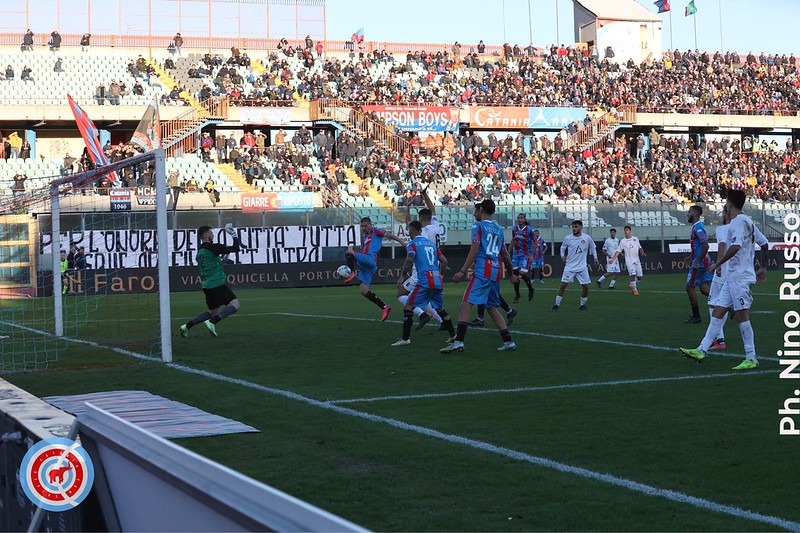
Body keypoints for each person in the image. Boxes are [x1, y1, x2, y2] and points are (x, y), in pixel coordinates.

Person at [680, 189, 768, 370]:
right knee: (717, 312)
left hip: (739, 278)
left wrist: (717, 264)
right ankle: (701, 349)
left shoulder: (738, 222)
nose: (725, 206)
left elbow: (735, 247)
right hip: (732, 278)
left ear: (730, 204)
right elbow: (764, 242)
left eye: (726, 203)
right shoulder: (748, 221)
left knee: (742, 316)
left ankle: (751, 358)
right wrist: (763, 268)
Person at [441, 199, 518, 353]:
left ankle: (458, 342)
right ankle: (508, 342)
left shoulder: (478, 226)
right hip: (496, 270)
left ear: (481, 210)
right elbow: (505, 255)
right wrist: (510, 274)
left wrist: (462, 271)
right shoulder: (499, 229)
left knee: (465, 304)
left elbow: (475, 250)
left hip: (483, 269)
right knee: (491, 307)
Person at [391, 221, 455, 347]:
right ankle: (453, 335)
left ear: (412, 230)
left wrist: (402, 276)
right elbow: (445, 261)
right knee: (440, 308)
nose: (408, 232)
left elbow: (409, 259)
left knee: (408, 307)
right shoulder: (431, 245)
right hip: (436, 279)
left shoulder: (413, 244)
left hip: (425, 279)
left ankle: (405, 339)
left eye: (409, 229)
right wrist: (441, 275)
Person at [180, 224, 241, 337]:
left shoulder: (200, 253)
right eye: (212, 234)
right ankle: (212, 322)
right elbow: (236, 248)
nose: (213, 236)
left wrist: (221, 260)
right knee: (235, 304)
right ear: (207, 235)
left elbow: (211, 264)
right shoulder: (213, 248)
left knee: (213, 312)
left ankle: (185, 327)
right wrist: (233, 234)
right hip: (216, 283)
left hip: (207, 286)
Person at [398, 189, 445, 329]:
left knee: (401, 294)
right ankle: (442, 321)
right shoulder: (435, 226)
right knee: (429, 298)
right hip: (434, 267)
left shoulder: (422, 232)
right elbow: (433, 209)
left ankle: (422, 314)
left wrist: (407, 207)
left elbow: (408, 223)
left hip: (421, 269)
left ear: (420, 220)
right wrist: (425, 195)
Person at [343, 217, 404, 321]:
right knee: (364, 290)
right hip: (366, 266)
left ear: (370, 225)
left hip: (370, 259)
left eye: (365, 226)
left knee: (349, 251)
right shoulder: (365, 236)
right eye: (362, 226)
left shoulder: (376, 230)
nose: (363, 228)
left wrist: (402, 242)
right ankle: (384, 307)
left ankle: (351, 273)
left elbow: (389, 235)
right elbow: (364, 247)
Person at [552, 220, 598, 311]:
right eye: (573, 227)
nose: (574, 228)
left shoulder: (587, 238)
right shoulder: (568, 238)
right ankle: (556, 305)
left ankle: (582, 305)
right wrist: (562, 256)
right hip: (570, 266)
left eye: (576, 226)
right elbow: (562, 247)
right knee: (563, 285)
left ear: (581, 227)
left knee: (585, 286)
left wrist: (595, 257)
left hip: (582, 267)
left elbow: (593, 247)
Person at [704, 206, 732, 351]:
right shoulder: (741, 228)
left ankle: (719, 340)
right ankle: (719, 339)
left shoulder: (722, 229)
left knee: (713, 305)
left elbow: (721, 246)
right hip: (736, 272)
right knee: (724, 305)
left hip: (723, 270)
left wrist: (718, 265)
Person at [685, 205, 712, 323]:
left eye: (689, 212)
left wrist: (697, 261)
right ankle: (727, 304)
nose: (688, 214)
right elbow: (699, 247)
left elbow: (705, 245)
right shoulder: (696, 227)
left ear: (695, 214)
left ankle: (697, 316)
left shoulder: (698, 228)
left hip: (700, 263)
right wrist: (691, 257)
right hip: (703, 261)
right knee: (703, 288)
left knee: (689, 287)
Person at [609, 226, 646, 296]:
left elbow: (640, 247)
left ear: (630, 231)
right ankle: (635, 290)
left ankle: (631, 284)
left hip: (637, 260)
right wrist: (613, 259)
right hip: (629, 261)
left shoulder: (635, 239)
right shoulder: (623, 241)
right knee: (632, 275)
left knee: (639, 277)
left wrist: (642, 252)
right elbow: (618, 251)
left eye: (627, 230)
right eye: (625, 230)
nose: (626, 232)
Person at [510, 213, 535, 303]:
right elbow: (513, 240)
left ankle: (531, 289)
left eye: (521, 218)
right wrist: (509, 252)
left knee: (523, 273)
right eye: (518, 218)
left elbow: (535, 242)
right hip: (516, 254)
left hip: (525, 254)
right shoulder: (514, 229)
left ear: (524, 220)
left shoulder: (529, 230)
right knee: (515, 274)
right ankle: (517, 294)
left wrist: (531, 255)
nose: (519, 219)